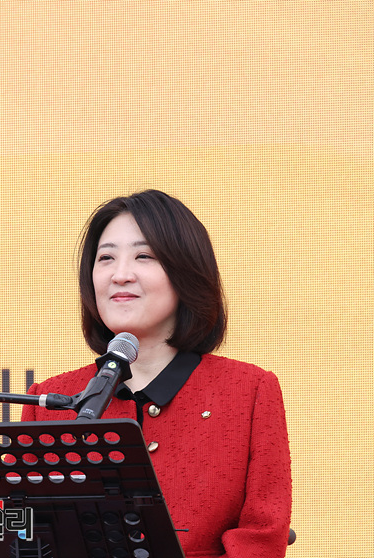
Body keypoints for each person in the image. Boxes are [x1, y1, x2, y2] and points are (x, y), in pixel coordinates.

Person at [21, 189, 292, 557]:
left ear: (185, 272)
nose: (120, 275)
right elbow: (22, 532)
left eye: (143, 256)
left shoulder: (249, 391)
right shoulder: (50, 400)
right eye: (106, 258)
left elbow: (262, 537)